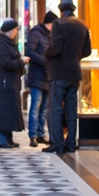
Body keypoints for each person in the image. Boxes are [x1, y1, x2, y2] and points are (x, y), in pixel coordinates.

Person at [44, 0, 91, 154]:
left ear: (61, 10)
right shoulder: (82, 25)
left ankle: (57, 144)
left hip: (59, 73)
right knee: (71, 110)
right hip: (74, 73)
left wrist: (46, 53)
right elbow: (87, 51)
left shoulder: (58, 23)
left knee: (55, 109)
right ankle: (71, 144)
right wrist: (74, 57)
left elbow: (55, 48)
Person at [0, 18, 30, 148]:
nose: (16, 32)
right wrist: (21, 61)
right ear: (10, 30)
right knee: (3, 109)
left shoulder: (9, 43)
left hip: (11, 81)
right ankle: (0, 140)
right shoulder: (1, 44)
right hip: (4, 82)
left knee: (10, 108)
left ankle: (8, 138)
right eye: (16, 30)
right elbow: (5, 62)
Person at [25, 10, 58, 146]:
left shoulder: (52, 34)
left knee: (44, 107)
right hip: (37, 75)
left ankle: (40, 134)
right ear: (49, 24)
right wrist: (46, 61)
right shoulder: (36, 33)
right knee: (35, 106)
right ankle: (32, 135)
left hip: (47, 76)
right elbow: (30, 52)